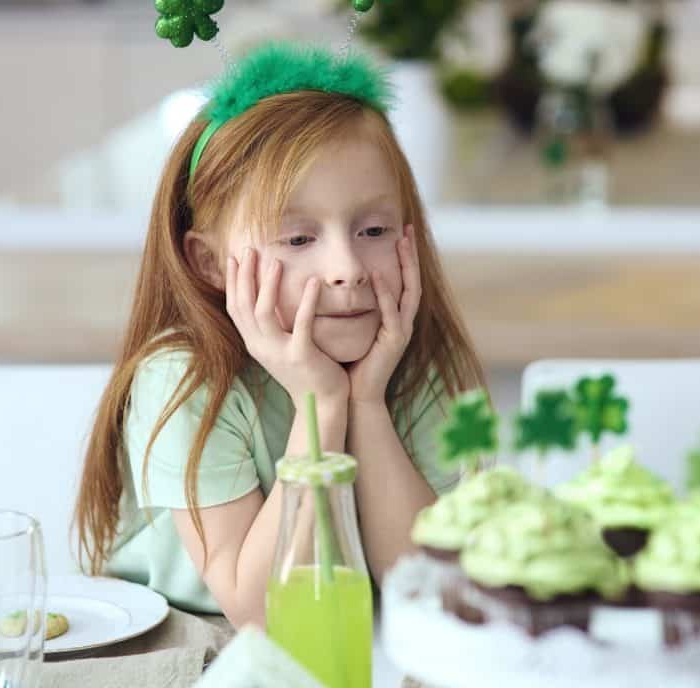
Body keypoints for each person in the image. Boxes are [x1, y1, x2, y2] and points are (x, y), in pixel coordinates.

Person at [73, 42, 485, 629]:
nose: (347, 266)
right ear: (210, 263)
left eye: (372, 228)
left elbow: (424, 588)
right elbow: (258, 611)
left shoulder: (409, 364)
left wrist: (364, 402)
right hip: (198, 644)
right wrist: (320, 404)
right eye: (298, 239)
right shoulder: (183, 379)